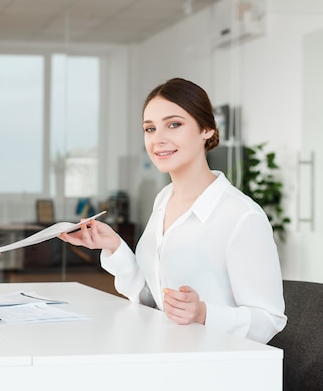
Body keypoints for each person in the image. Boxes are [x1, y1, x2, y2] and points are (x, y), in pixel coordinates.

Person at [59, 77, 286, 344]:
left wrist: (203, 313)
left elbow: (270, 320)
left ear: (207, 130)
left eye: (174, 124)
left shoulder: (241, 216)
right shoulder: (164, 200)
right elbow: (151, 298)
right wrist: (115, 246)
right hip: (165, 352)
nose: (158, 139)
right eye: (150, 128)